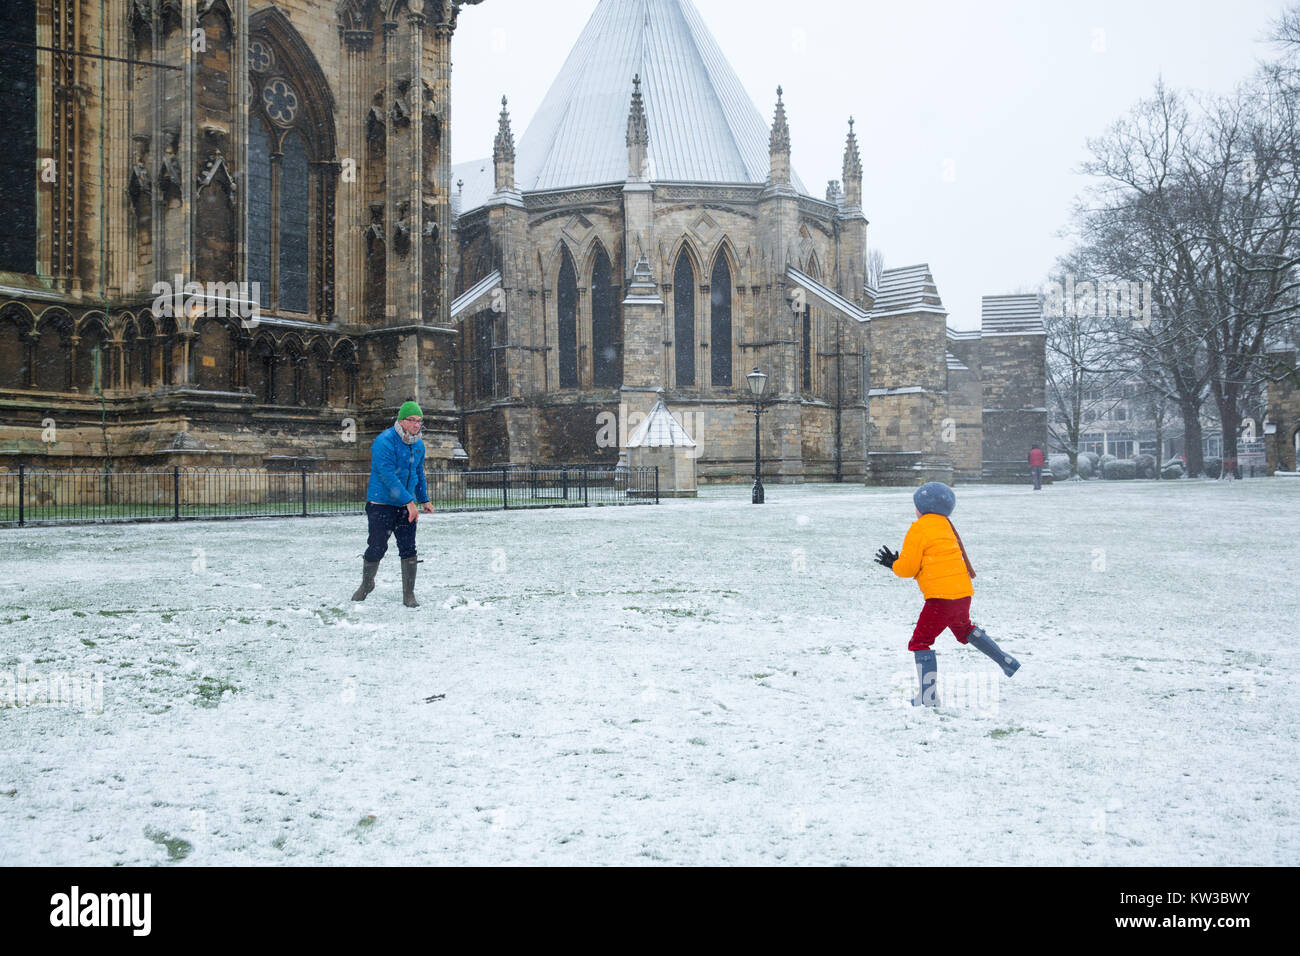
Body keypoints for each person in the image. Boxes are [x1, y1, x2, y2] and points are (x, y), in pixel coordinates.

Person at [874, 481, 1020, 707]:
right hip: (962, 594)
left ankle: (928, 695)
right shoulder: (945, 525)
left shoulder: (919, 528)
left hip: (941, 599)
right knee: (965, 628)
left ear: (921, 507)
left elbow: (909, 569)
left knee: (920, 642)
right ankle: (1006, 661)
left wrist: (894, 564)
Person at [352, 400, 434, 608]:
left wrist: (423, 498)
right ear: (401, 421)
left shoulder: (419, 444)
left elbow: (417, 472)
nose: (416, 425)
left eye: (419, 421)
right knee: (377, 547)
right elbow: (387, 476)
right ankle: (367, 583)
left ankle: (409, 594)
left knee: (409, 548)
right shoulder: (384, 441)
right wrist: (409, 501)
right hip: (382, 503)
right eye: (412, 420)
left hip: (407, 506)